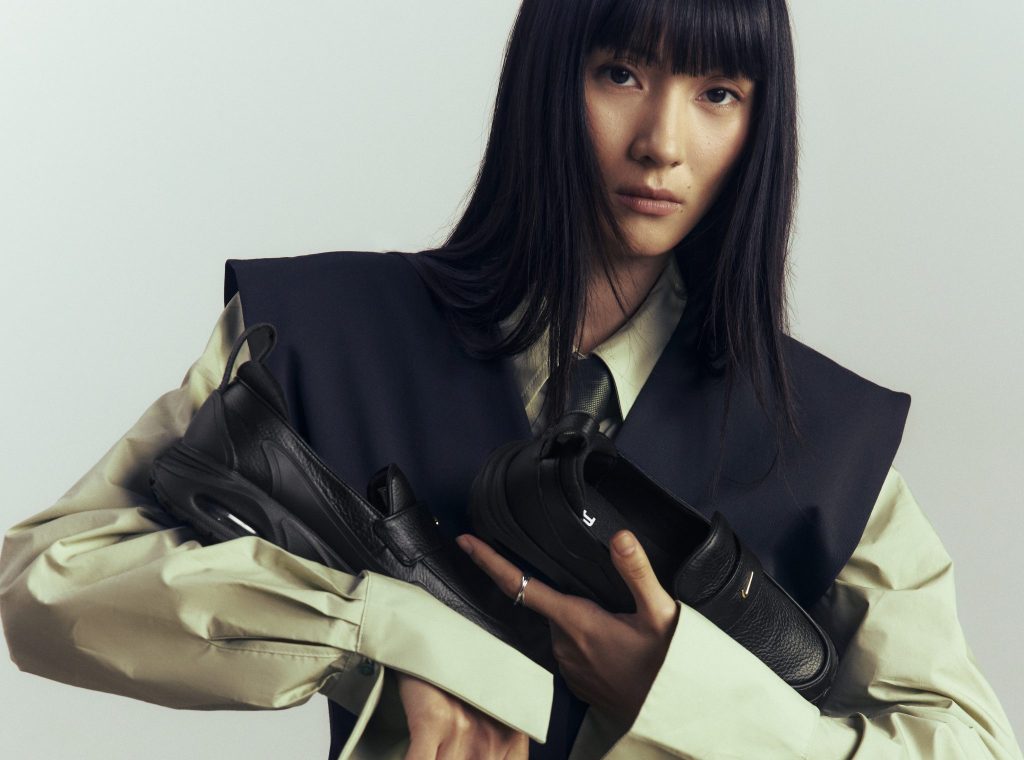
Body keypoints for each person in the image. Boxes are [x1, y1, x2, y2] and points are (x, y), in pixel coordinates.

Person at [1, 1, 1020, 759]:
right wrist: (384, 633)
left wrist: (679, 690)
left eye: (717, 94)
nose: (662, 144)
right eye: (620, 73)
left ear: (757, 127)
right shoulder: (321, 335)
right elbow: (46, 578)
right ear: (547, 79)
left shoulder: (821, 437)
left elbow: (969, 745)